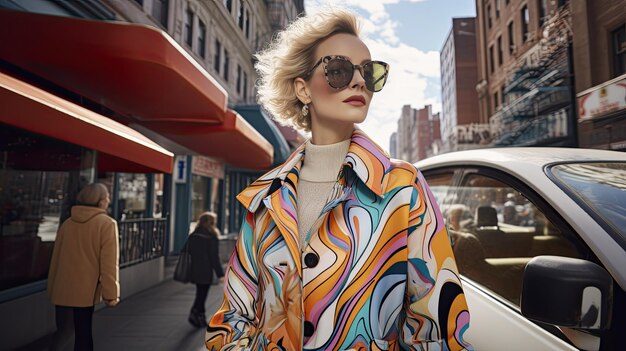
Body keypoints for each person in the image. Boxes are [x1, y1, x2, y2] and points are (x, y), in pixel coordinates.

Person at [206, 7, 471, 351]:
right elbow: (233, 317)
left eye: (369, 72)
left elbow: (438, 326)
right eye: (339, 70)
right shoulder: (266, 197)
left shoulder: (402, 188)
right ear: (303, 89)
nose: (359, 81)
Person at [47, 183, 119, 351]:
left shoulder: (67, 224)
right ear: (101, 202)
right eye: (107, 196)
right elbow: (109, 265)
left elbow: (56, 259)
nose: (108, 200)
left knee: (63, 332)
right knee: (84, 335)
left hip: (62, 288)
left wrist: (52, 289)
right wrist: (111, 294)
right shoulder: (106, 224)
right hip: (85, 291)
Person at [187, 211, 225, 328]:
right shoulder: (211, 236)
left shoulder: (194, 235)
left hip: (195, 268)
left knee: (200, 292)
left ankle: (200, 315)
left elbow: (189, 252)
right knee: (202, 294)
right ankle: (195, 313)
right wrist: (220, 274)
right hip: (206, 269)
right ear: (211, 223)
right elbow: (214, 257)